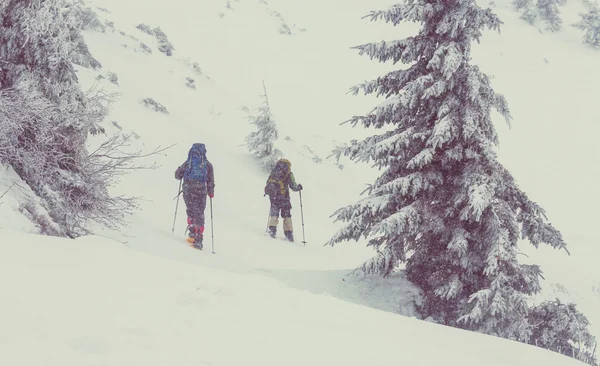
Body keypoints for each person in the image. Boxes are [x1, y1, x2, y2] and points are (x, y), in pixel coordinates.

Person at [175, 143, 215, 249]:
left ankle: (192, 232)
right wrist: (211, 193)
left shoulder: (188, 162)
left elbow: (177, 175)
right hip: (200, 191)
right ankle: (198, 238)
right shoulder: (207, 165)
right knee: (199, 213)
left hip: (188, 190)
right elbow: (210, 181)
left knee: (191, 210)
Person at [264, 159, 302, 242]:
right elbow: (293, 186)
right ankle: (289, 235)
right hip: (284, 197)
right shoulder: (288, 173)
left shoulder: (274, 171)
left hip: (274, 197)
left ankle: (272, 231)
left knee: (274, 213)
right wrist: (299, 187)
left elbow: (268, 182)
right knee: (286, 215)